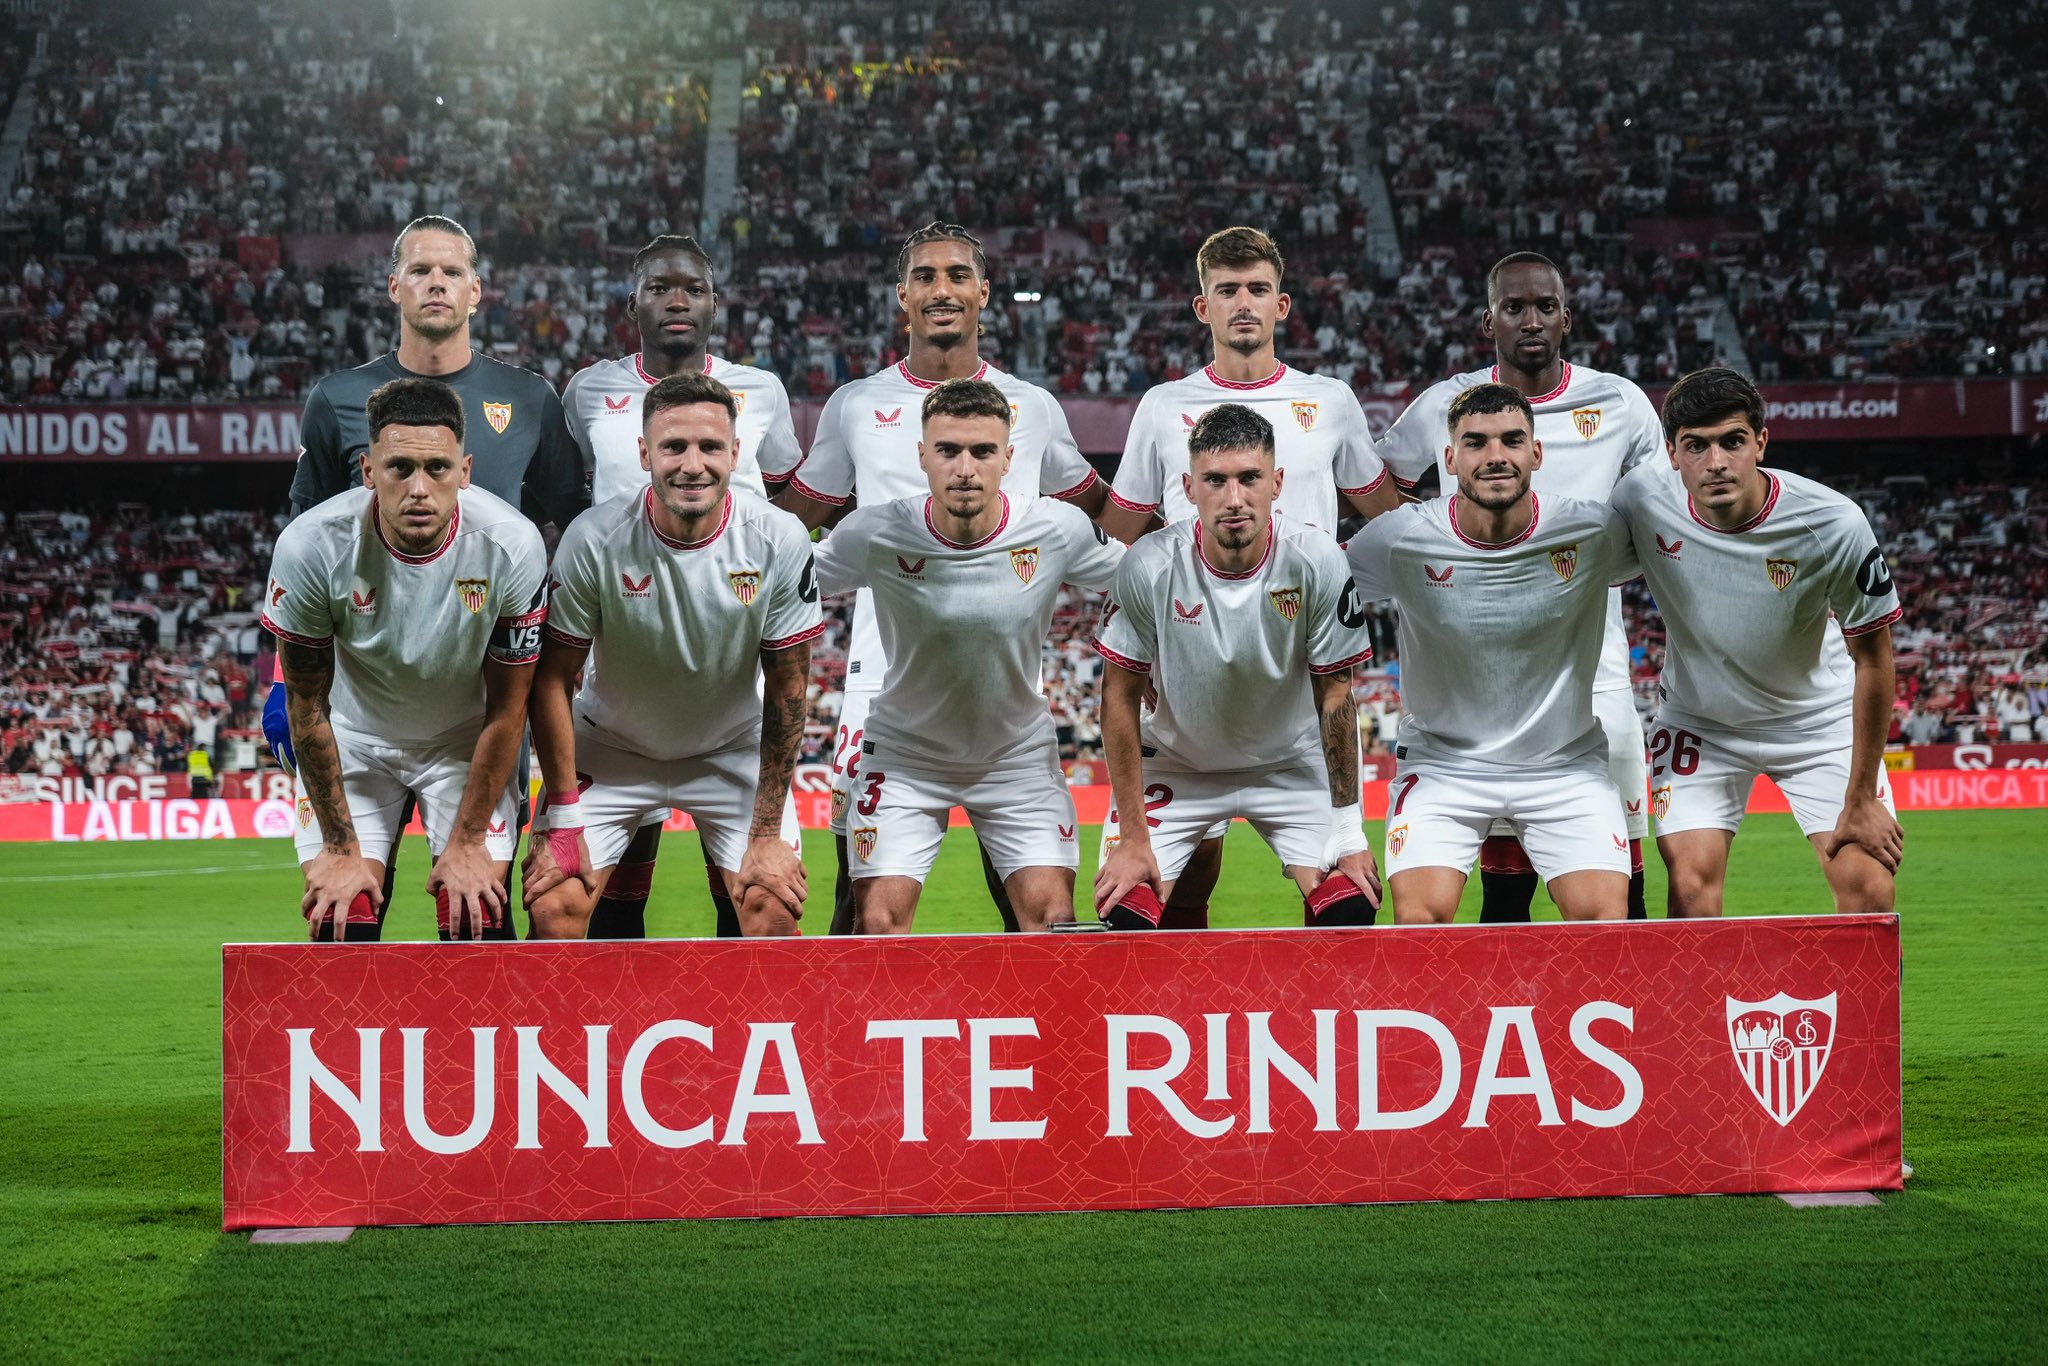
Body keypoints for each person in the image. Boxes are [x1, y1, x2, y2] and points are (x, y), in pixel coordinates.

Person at [779, 223, 1107, 934]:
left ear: (984, 293)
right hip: (883, 673)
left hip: (1003, 675)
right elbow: (793, 521)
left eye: (958, 275)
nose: (942, 290)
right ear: (903, 296)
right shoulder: (858, 406)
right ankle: (860, 1033)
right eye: (925, 277)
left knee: (1025, 891)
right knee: (859, 894)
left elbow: (1098, 513)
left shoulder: (1034, 408)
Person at [270, 215, 587, 917]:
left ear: (477, 291)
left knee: (478, 911)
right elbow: (309, 542)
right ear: (394, 287)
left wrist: (558, 655)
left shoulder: (529, 397)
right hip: (366, 680)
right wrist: (282, 683)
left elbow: (579, 525)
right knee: (343, 916)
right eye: (419, 270)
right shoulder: (337, 398)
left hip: (481, 686)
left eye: (451, 272)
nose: (435, 283)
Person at [1097, 226, 1398, 929]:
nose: (1243, 303)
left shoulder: (1328, 401)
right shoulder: (1163, 407)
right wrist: (1137, 631)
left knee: (1352, 903)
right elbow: (1119, 536)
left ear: (1282, 304)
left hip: (1297, 668)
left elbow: (1388, 523)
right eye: (1226, 290)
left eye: (1257, 289)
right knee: (1185, 882)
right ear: (1202, 307)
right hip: (1191, 677)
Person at [1377, 251, 1661, 922]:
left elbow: (1658, 511)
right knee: (1504, 887)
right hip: (1480, 683)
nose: (1530, 320)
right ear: (1489, 321)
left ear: (1566, 317)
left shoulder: (1620, 402)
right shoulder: (1447, 404)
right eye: (1514, 308)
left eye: (1544, 307)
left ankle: (1625, 1017)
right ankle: (1505, 1023)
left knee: (1623, 874)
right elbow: (1375, 484)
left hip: (1596, 671)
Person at [559, 234, 806, 939]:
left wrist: (757, 570)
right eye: (660, 287)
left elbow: (783, 497)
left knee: (748, 890)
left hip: (728, 642)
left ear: (713, 303)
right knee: (610, 890)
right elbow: (573, 498)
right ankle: (614, 1030)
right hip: (626, 640)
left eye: (692, 288)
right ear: (632, 301)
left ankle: (736, 1029)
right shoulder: (588, 390)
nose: (676, 299)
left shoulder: (759, 391)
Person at [810, 378, 1123, 933]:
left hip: (1015, 758)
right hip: (905, 757)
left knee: (1054, 922)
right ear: (922, 457)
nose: (964, 468)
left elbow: (1145, 578)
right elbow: (787, 582)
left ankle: (1031, 1022)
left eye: (982, 451)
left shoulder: (1056, 527)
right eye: (948, 451)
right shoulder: (878, 531)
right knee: (877, 924)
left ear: (1008, 457)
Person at [521, 372, 819, 938]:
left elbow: (789, 690)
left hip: (730, 749)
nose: (692, 463)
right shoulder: (595, 539)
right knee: (553, 907)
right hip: (611, 747)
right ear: (643, 453)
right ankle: (575, 1030)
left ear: (735, 452)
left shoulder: (778, 538)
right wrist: (561, 817)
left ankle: (757, 1030)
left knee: (772, 908)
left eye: (710, 447)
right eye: (673, 446)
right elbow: (553, 680)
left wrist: (765, 837)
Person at [261, 378, 547, 942]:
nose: (419, 488)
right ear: (368, 471)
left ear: (465, 471)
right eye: (399, 469)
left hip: (463, 745)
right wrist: (341, 850)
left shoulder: (513, 545)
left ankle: (482, 1033)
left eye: (437, 469)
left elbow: (510, 709)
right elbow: (307, 704)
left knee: (476, 915)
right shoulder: (311, 545)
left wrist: (468, 844)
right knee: (342, 919)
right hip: (355, 741)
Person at [1612, 367, 1902, 916]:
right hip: (1702, 724)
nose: (1716, 462)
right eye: (1696, 446)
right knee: (1692, 889)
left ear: (1761, 443)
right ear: (1671, 452)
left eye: (1733, 442)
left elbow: (1874, 658)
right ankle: (1693, 1007)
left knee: (1869, 888)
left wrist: (1862, 796)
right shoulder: (1640, 498)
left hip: (1818, 725)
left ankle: (1865, 1007)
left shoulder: (1833, 522)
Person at [1346, 383, 1636, 924]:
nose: (1496, 456)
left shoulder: (1594, 530)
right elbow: (1312, 588)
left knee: (1605, 924)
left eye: (1512, 440)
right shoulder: (1399, 538)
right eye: (1476, 443)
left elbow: (1683, 554)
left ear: (1537, 453)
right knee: (1419, 926)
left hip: (1564, 766)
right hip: (1441, 767)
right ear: (1450, 458)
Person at [1092, 404, 1381, 929]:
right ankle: (1182, 1006)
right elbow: (1117, 698)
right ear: (1188, 486)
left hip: (1290, 764)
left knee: (1352, 905)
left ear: (1277, 482)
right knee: (1125, 913)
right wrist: (1134, 839)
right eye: (1215, 480)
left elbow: (1336, 697)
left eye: (1249, 478)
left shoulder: (1316, 558)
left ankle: (1302, 1013)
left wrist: (1349, 829)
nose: (1233, 498)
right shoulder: (1149, 565)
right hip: (1179, 764)